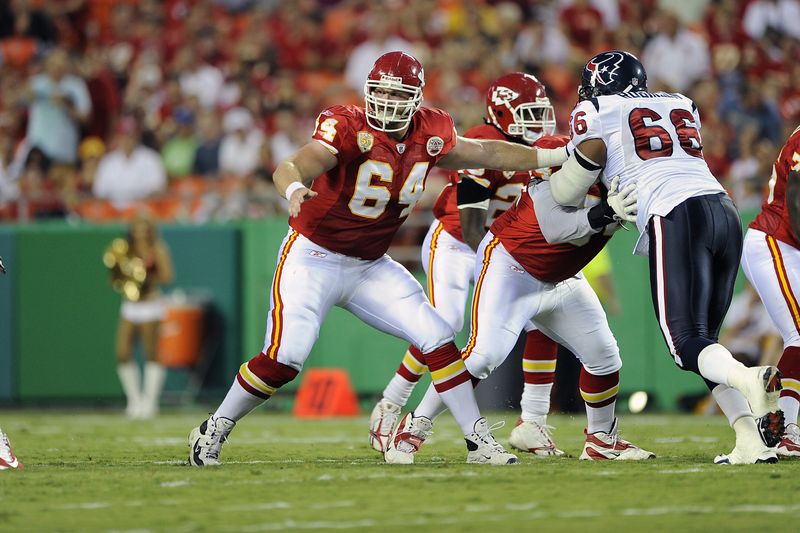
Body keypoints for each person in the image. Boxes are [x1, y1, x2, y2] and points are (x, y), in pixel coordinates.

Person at [187, 51, 569, 467]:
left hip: (369, 264)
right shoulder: (348, 126)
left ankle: (477, 442)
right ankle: (215, 426)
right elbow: (294, 164)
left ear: (417, 97)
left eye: (398, 94)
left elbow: (486, 153)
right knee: (284, 359)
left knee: (438, 336)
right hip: (313, 256)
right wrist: (294, 189)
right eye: (381, 91)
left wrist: (553, 157)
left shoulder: (432, 130)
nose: (387, 101)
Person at [547, 50, 783, 464]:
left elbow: (571, 186)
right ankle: (749, 439)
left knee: (685, 344)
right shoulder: (679, 101)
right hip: (724, 210)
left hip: (676, 213)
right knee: (705, 344)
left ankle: (750, 379)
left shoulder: (595, 109)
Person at [383, 170, 653, 463]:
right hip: (514, 266)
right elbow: (555, 226)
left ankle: (601, 440)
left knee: (604, 357)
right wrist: (605, 211)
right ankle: (415, 426)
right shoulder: (563, 159)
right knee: (483, 356)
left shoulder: (630, 172)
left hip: (562, 275)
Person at [369, 72, 569, 457]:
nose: (538, 122)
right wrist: (512, 263)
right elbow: (474, 227)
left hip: (503, 248)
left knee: (542, 318)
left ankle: (533, 420)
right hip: (458, 242)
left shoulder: (546, 148)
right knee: (445, 324)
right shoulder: (484, 142)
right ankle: (392, 402)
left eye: (540, 112)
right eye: (527, 113)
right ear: (502, 113)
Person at [741, 127, 800, 458]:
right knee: (798, 335)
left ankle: (777, 420)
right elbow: (797, 200)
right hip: (776, 241)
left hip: (791, 246)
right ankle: (785, 430)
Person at [112, 212, 175, 419]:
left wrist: (147, 274)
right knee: (122, 352)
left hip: (150, 305)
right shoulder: (125, 249)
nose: (140, 232)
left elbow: (168, 276)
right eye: (137, 228)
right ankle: (134, 400)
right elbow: (116, 273)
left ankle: (150, 402)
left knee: (151, 353)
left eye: (144, 228)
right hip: (130, 305)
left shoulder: (158, 249)